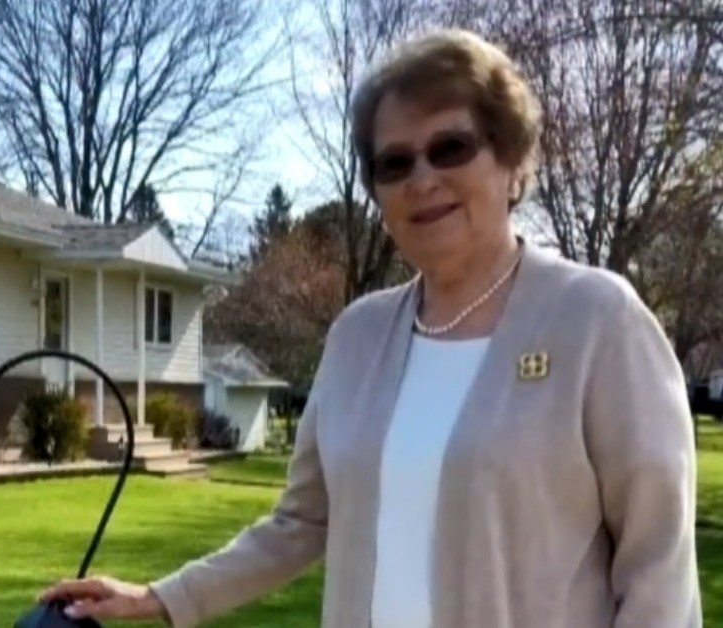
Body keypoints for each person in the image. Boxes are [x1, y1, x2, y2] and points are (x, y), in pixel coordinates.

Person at [37, 28, 702, 627]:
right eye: (395, 162)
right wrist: (161, 596)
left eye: (451, 148)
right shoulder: (358, 336)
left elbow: (658, 571)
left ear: (511, 160)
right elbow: (301, 521)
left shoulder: (597, 321)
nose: (423, 179)